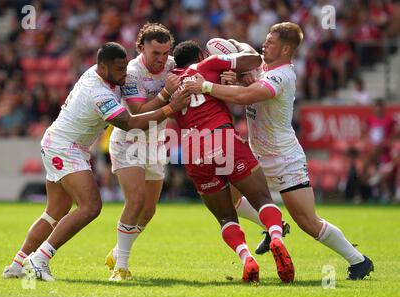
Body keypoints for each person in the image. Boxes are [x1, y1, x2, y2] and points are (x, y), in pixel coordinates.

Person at [185, 22, 374, 280]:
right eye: (266, 40)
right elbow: (247, 58)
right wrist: (235, 54)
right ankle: (273, 226)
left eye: (271, 42)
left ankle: (359, 261)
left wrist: (207, 86)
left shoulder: (282, 75)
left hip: (284, 158)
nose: (265, 45)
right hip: (256, 154)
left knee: (308, 222)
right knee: (230, 197)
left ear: (286, 49)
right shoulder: (263, 66)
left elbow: (246, 97)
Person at [2, 42, 190, 281]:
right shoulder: (98, 91)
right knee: (90, 206)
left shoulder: (107, 76)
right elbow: (130, 123)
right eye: (120, 69)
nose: (125, 74)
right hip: (64, 147)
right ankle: (39, 259)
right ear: (102, 67)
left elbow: (138, 106)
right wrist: (170, 106)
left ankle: (18, 264)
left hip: (62, 143)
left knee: (55, 212)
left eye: (125, 67)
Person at [171, 40, 295, 283]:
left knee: (226, 217)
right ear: (201, 54)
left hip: (193, 150)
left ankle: (246, 257)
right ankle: (276, 236)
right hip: (221, 137)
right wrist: (238, 47)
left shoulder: (169, 84)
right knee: (262, 198)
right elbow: (254, 60)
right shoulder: (208, 63)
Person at [104, 23, 181, 281]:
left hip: (157, 143)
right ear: (141, 48)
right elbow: (137, 112)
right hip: (129, 140)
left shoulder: (173, 65)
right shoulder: (133, 71)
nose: (161, 59)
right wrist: (168, 93)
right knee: (135, 201)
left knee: (148, 211)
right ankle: (121, 267)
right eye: (155, 53)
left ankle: (118, 251)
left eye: (164, 53)